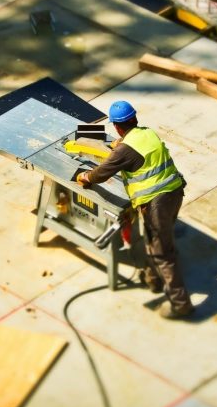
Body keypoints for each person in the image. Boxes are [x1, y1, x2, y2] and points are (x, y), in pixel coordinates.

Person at [76, 100, 194, 319]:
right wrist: (120, 145)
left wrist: (86, 177)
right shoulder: (146, 133)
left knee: (162, 252)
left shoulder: (125, 150)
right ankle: (154, 279)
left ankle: (180, 303)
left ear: (117, 126)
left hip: (156, 202)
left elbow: (102, 173)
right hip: (175, 192)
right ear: (134, 119)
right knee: (156, 239)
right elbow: (135, 150)